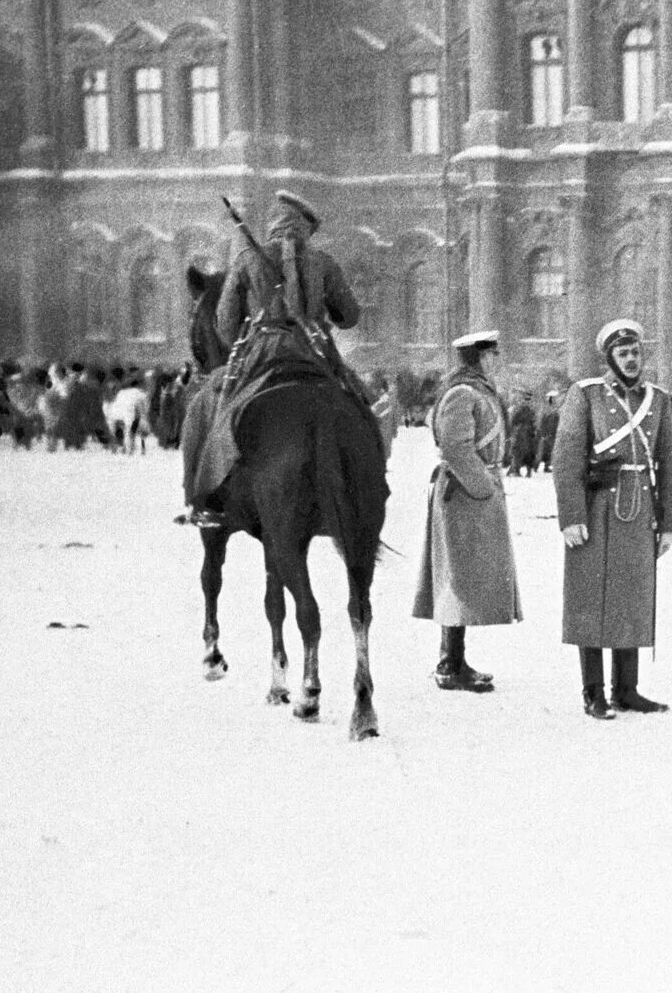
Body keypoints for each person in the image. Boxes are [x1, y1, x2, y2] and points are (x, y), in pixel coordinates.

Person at [181, 190, 371, 521]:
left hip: (261, 353)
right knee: (357, 404)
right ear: (306, 228)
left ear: (273, 223)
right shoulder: (323, 262)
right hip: (314, 353)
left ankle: (211, 498)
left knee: (220, 413)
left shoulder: (246, 260)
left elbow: (225, 326)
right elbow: (350, 316)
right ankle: (365, 486)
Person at [553, 319, 672, 720]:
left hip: (639, 509)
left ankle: (626, 689)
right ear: (609, 357)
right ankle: (593, 691)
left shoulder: (658, 400)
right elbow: (566, 458)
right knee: (590, 598)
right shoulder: (586, 395)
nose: (631, 359)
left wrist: (670, 522)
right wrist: (571, 516)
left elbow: (669, 463)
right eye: (623, 353)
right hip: (595, 508)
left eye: (636, 352)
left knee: (632, 597)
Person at [412, 330, 522, 694]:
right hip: (463, 493)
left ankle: (456, 660)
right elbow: (456, 447)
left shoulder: (475, 390)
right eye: (491, 356)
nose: (496, 362)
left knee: (467, 577)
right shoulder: (462, 393)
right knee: (457, 579)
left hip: (472, 493)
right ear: (478, 358)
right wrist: (483, 486)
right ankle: (448, 665)